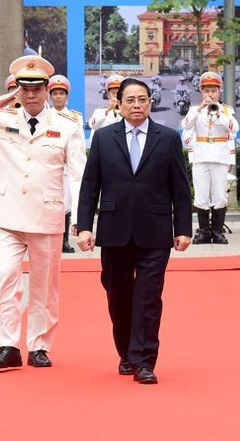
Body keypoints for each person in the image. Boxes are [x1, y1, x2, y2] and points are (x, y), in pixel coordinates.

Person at [0, 54, 86, 369]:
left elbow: (78, 176)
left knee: (44, 286)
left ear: (48, 89)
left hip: (46, 217)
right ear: (17, 90)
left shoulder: (66, 127)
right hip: (7, 214)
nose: (31, 95)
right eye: (25, 88)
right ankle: (7, 345)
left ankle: (39, 345)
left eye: (37, 88)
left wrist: (80, 220)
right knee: (7, 277)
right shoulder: (0, 118)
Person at [77, 78, 192, 385]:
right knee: (119, 296)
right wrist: (85, 226)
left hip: (155, 232)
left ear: (150, 102)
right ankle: (126, 352)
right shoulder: (103, 138)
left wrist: (183, 228)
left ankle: (144, 361)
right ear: (119, 104)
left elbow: (181, 189)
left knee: (148, 297)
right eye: (130, 100)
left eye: (142, 99)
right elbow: (90, 185)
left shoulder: (167, 138)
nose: (137, 105)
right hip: (114, 231)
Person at [182, 71, 238, 244]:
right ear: (201, 91)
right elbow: (186, 128)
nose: (210, 94)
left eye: (213, 91)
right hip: (201, 155)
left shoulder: (226, 110)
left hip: (220, 156)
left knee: (220, 195)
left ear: (219, 91)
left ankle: (217, 231)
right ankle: (204, 232)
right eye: (206, 91)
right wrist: (200, 109)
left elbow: (233, 130)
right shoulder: (194, 110)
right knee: (201, 194)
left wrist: (218, 114)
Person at [48, 74, 85, 253]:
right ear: (50, 96)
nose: (58, 97)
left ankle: (63, 241)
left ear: (67, 96)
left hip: (67, 168)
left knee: (67, 205)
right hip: (49, 168)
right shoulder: (44, 116)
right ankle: (48, 240)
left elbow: (79, 147)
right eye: (54, 93)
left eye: (61, 93)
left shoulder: (75, 118)